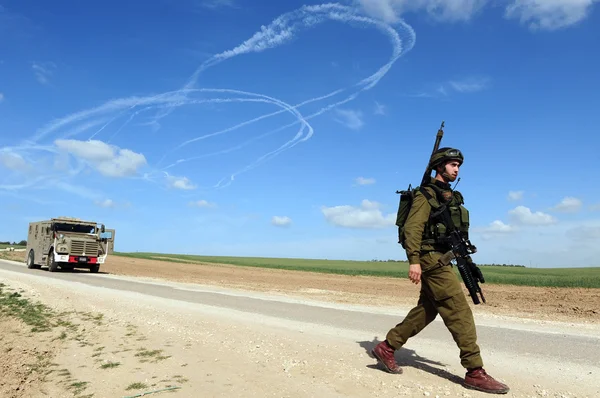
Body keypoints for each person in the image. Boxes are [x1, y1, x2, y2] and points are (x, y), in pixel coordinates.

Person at [372, 147, 510, 395]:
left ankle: (387, 347)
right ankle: (474, 371)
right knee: (459, 312)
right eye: (452, 164)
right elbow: (412, 229)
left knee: (428, 309)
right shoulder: (426, 195)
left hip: (443, 258)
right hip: (430, 260)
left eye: (458, 165)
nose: (456, 169)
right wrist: (413, 260)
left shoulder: (449, 195)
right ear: (439, 166)